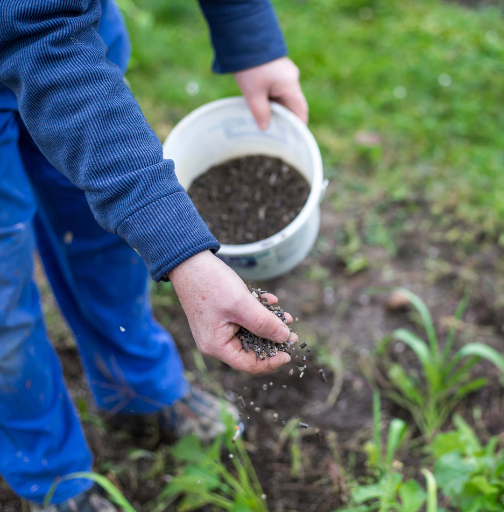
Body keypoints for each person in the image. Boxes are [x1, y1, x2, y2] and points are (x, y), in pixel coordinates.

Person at [0, 0, 308, 510]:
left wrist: (249, 34)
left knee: (104, 233)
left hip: (76, 36)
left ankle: (136, 385)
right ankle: (50, 474)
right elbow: (33, 31)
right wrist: (185, 255)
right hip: (47, 40)